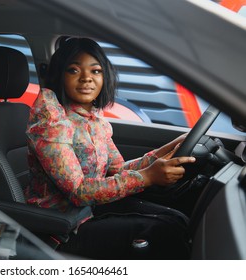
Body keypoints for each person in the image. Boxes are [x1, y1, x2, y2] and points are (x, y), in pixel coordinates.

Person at [25, 38, 195, 259]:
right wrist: (147, 177)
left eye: (95, 71)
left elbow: (116, 169)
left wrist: (164, 151)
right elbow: (78, 191)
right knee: (164, 231)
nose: (87, 78)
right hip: (61, 228)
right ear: (60, 75)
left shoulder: (93, 117)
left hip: (90, 211)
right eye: (74, 70)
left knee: (176, 219)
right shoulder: (51, 121)